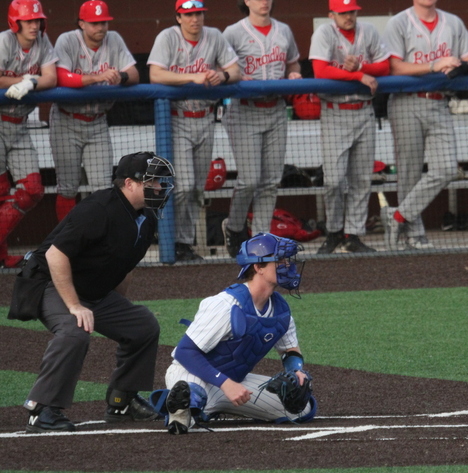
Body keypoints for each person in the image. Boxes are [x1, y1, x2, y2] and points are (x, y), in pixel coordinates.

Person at [18, 152, 175, 433]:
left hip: (92, 289)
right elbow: (55, 256)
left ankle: (122, 401)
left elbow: (125, 266)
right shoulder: (99, 209)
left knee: (142, 325)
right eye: (152, 182)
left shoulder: (146, 217)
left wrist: (120, 309)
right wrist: (75, 306)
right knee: (74, 330)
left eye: (160, 182)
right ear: (129, 183)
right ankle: (41, 410)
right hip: (49, 282)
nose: (159, 188)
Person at [151, 232, 317, 434]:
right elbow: (185, 352)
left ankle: (206, 407)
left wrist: (296, 370)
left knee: (299, 409)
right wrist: (226, 383)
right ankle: (184, 409)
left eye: (287, 260)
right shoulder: (225, 305)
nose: (288, 265)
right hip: (192, 373)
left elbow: (290, 351)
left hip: (235, 383)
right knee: (191, 395)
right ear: (258, 267)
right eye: (280, 261)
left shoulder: (281, 311)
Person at [382, 0, 468, 250]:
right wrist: (433, 65)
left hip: (438, 102)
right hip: (406, 101)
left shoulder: (453, 21)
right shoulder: (399, 22)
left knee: (447, 168)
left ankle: (398, 217)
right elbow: (394, 67)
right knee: (409, 172)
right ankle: (413, 233)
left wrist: (463, 67)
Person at [148, 0, 240, 262]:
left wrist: (221, 76)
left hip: (205, 118)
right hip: (175, 119)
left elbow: (235, 70)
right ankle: (171, 238)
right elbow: (155, 75)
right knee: (184, 185)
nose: (194, 19)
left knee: (196, 188)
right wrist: (192, 77)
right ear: (178, 17)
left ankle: (183, 243)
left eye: (198, 13)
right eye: (188, 15)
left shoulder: (214, 36)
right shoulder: (167, 37)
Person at [220, 0, 302, 258]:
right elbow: (219, 68)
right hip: (244, 110)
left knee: (270, 181)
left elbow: (294, 63)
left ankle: (260, 241)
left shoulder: (284, 30)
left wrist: (293, 74)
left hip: (275, 109)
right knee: (250, 180)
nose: (263, 1)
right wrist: (232, 74)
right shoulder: (233, 32)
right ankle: (234, 227)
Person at [309, 0, 389, 254]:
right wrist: (358, 76)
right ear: (332, 14)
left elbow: (385, 66)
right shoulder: (324, 32)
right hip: (335, 112)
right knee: (333, 180)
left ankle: (352, 234)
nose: (348, 16)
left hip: (363, 111)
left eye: (351, 11)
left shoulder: (369, 31)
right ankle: (334, 232)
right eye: (343, 13)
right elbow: (320, 71)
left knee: (361, 179)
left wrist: (361, 67)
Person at [50, 0, 139, 222]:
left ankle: (98, 241)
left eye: (103, 22)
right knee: (68, 187)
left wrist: (121, 76)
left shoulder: (114, 39)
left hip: (97, 121)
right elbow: (60, 77)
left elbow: (135, 74)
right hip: (66, 120)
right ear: (82, 23)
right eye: (94, 23)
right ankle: (65, 242)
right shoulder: (68, 40)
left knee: (102, 187)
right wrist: (97, 77)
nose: (100, 27)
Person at [0, 0, 56, 268]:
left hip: (19, 123)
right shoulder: (4, 42)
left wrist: (31, 81)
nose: (34, 25)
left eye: (37, 20)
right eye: (28, 20)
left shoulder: (43, 42)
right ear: (15, 22)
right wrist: (20, 81)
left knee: (33, 189)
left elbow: (51, 78)